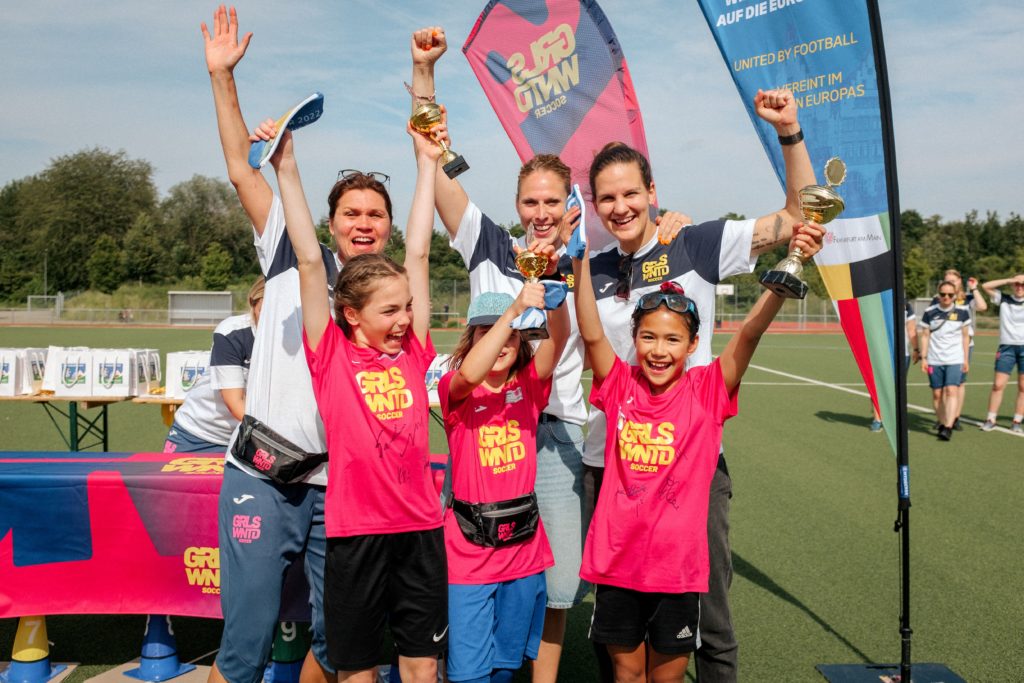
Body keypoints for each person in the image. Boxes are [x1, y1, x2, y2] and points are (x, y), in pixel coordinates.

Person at [410, 28, 690, 681]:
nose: (540, 213)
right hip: (483, 428)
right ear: (517, 205)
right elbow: (431, 153)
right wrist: (424, 74)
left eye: (551, 202)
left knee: (556, 586)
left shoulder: (592, 261)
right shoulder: (487, 245)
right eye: (529, 202)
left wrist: (668, 224)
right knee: (475, 576)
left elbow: (654, 250)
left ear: (571, 206)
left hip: (557, 432)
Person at [563, 88, 815, 683]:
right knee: (616, 622)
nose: (620, 206)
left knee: (710, 618)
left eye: (631, 193)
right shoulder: (590, 270)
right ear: (595, 207)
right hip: (609, 464)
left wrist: (789, 132)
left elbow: (800, 216)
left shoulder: (694, 243)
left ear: (653, 194)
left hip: (692, 466)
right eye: (608, 198)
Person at [202, 7, 390, 683]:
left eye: (375, 215)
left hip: (338, 486)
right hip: (262, 474)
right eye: (352, 213)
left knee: (341, 645)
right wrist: (224, 81)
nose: (363, 224)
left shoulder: (392, 304)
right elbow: (237, 166)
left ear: (388, 231)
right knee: (245, 640)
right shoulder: (291, 250)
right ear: (332, 222)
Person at [258, 108, 447, 682]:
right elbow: (311, 260)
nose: (403, 320)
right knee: (357, 669)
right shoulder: (331, 355)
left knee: (420, 664)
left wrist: (427, 166)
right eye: (390, 311)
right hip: (355, 534)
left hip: (418, 531)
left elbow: (416, 253)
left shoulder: (413, 350)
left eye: (407, 309)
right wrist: (287, 168)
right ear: (352, 314)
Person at [439, 283, 569, 683]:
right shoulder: (455, 391)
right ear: (472, 340)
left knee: (506, 666)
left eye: (512, 335)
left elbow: (559, 338)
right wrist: (512, 313)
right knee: (467, 673)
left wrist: (558, 297)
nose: (501, 342)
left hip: (523, 550)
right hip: (469, 551)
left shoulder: (529, 385)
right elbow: (468, 373)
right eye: (488, 332)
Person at [163, 276, 263, 453]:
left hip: (251, 439)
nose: (274, 313)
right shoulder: (232, 332)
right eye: (268, 305)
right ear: (252, 302)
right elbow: (235, 403)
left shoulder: (296, 337)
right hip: (199, 436)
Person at [930, 269, 987, 430]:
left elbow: (982, 306)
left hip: (962, 346)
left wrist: (974, 288)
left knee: (958, 384)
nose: (950, 283)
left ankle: (955, 417)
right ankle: (942, 418)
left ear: (959, 282)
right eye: (947, 280)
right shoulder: (939, 299)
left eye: (953, 281)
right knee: (940, 388)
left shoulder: (967, 299)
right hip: (942, 347)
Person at [919, 281, 971, 441]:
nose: (946, 297)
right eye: (943, 294)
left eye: (950, 294)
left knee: (951, 391)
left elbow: (965, 336)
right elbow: (925, 336)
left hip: (954, 359)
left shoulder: (963, 312)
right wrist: (924, 358)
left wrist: (965, 359)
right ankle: (941, 422)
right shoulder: (929, 312)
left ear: (955, 295)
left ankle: (948, 426)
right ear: (938, 295)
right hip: (935, 359)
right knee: (937, 394)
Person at [979, 274, 1024, 433]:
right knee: (998, 385)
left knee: (1023, 387)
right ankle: (990, 419)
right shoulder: (1003, 298)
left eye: (1022, 285)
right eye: (1017, 284)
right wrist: (1008, 280)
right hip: (1006, 348)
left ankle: (1017, 421)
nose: (1019, 287)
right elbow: (985, 286)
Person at [869, 301, 917, 432]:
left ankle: (897, 422)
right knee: (879, 386)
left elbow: (911, 329)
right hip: (881, 352)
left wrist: (916, 349)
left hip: (902, 354)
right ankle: (877, 419)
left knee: (898, 389)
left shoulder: (905, 305)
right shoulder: (877, 303)